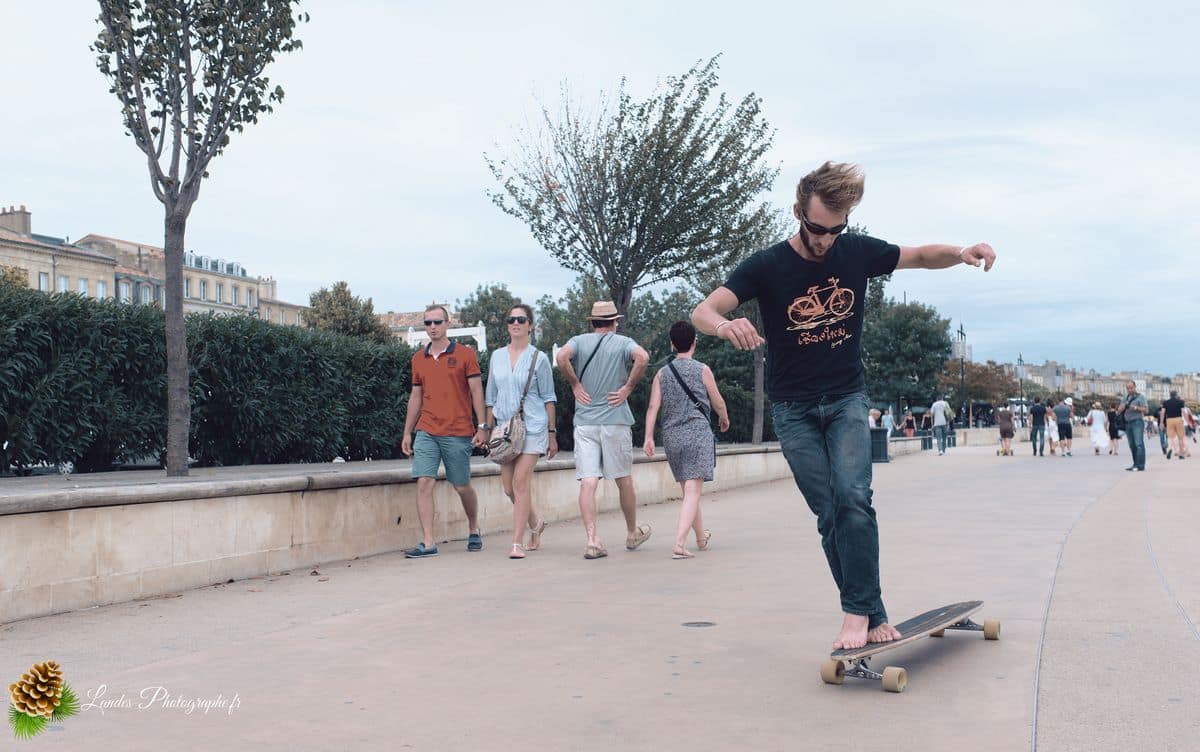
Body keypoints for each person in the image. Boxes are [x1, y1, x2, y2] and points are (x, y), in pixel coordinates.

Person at [691, 160, 996, 650]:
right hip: (793, 410)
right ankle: (873, 611)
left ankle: (855, 612)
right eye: (817, 230)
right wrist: (725, 326)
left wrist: (961, 252)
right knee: (829, 513)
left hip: (847, 401)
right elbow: (703, 310)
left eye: (836, 230)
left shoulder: (855, 252)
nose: (826, 240)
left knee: (854, 499)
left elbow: (918, 255)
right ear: (798, 213)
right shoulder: (766, 265)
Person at [555, 301, 652, 559]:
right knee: (623, 479)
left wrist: (575, 384)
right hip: (615, 419)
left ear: (592, 322)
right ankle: (632, 533)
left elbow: (561, 357)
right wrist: (628, 388)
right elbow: (642, 358)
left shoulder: (578, 341)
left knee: (588, 482)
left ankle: (592, 540)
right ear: (614, 321)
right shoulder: (623, 342)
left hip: (585, 422)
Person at [400, 305, 490, 558]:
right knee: (424, 482)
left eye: (437, 322)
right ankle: (428, 542)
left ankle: (473, 527)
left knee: (461, 486)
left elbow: (476, 392)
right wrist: (408, 432)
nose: (432, 327)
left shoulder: (465, 354)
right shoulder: (418, 359)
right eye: (427, 323)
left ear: (447, 323)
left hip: (458, 430)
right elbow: (415, 397)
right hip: (427, 429)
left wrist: (482, 426)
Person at [642, 321, 730, 559]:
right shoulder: (702, 369)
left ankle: (701, 538)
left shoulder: (661, 373)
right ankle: (679, 544)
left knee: (690, 490)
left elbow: (652, 407)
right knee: (693, 491)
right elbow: (718, 401)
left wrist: (648, 436)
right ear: (695, 342)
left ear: (672, 344)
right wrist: (724, 418)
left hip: (672, 437)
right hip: (697, 434)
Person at [484, 304, 558, 559]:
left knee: (520, 482)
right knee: (508, 488)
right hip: (505, 431)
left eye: (521, 319)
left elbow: (549, 397)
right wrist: (486, 428)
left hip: (534, 427)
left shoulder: (540, 358)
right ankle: (536, 523)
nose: (515, 323)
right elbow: (490, 397)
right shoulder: (496, 356)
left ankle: (516, 542)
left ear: (530, 325)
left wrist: (552, 433)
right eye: (511, 319)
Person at [1116, 380, 1148, 471]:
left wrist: (1135, 408)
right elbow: (1118, 411)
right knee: (1132, 445)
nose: (1129, 390)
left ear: (1135, 387)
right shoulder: (1125, 398)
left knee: (1139, 444)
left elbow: (1146, 410)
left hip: (1137, 422)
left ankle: (1140, 465)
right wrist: (1121, 408)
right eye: (1128, 388)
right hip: (1127, 423)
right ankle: (1135, 464)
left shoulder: (1141, 397)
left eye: (1131, 388)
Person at [1159, 390, 1190, 459]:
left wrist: (1161, 423)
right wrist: (1188, 422)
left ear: (1170, 395)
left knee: (1170, 437)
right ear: (1176, 395)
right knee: (1180, 438)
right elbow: (1184, 412)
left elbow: (1162, 412)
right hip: (1178, 419)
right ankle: (1181, 454)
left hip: (1169, 420)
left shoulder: (1165, 402)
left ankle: (1170, 449)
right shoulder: (1180, 402)